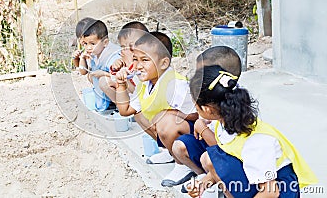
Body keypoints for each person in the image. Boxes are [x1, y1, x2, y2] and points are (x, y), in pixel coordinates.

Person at [187, 65, 318, 198]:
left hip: (279, 190)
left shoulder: (256, 142)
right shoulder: (224, 122)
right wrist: (204, 183)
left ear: (206, 109)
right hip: (260, 180)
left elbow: (270, 191)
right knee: (211, 158)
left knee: (212, 159)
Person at [115, 31, 198, 187]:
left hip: (192, 139)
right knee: (139, 114)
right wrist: (121, 85)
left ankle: (183, 164)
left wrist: (170, 114)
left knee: (166, 120)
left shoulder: (175, 84)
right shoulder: (144, 84)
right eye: (135, 60)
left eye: (145, 60)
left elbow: (197, 114)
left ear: (164, 63)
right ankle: (170, 152)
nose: (138, 66)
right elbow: (125, 110)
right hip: (171, 129)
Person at [172, 46, 242, 193]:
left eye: (203, 75)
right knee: (179, 147)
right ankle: (205, 176)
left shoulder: (234, 106)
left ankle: (218, 182)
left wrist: (201, 127)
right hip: (211, 145)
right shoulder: (209, 99)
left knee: (209, 159)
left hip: (227, 154)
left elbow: (225, 148)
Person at [76, 18, 121, 112]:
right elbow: (83, 71)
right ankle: (108, 101)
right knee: (91, 76)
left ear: (105, 42)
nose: (88, 47)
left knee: (103, 81)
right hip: (112, 83)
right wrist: (82, 58)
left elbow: (121, 77)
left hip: (124, 88)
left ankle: (121, 105)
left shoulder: (112, 55)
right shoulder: (94, 52)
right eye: (84, 44)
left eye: (92, 44)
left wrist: (103, 74)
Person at [98, 21, 148, 101]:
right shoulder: (125, 58)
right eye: (123, 47)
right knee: (103, 81)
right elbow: (114, 76)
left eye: (131, 46)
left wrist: (130, 63)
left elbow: (140, 85)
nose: (126, 50)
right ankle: (123, 107)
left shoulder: (147, 60)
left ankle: (133, 109)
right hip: (130, 94)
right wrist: (116, 68)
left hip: (142, 96)